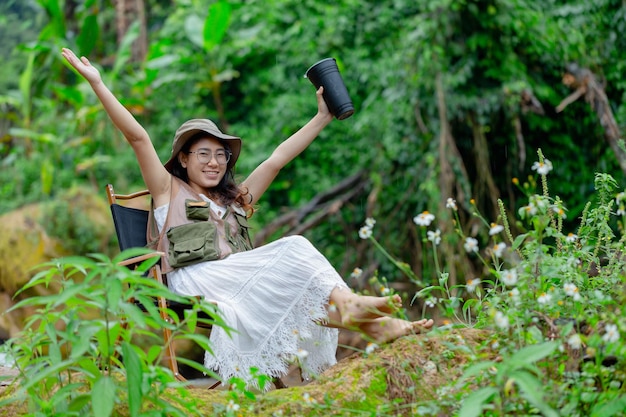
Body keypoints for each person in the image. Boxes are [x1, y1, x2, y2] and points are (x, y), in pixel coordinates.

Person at [61, 47, 434, 387]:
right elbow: (139, 138)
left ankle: (378, 327)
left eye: (222, 155)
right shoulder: (167, 190)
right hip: (195, 278)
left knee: (293, 286)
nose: (214, 162)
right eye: (203, 153)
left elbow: (277, 159)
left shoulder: (234, 200)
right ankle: (350, 304)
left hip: (236, 277)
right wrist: (98, 83)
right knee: (295, 246)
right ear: (184, 159)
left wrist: (321, 118)